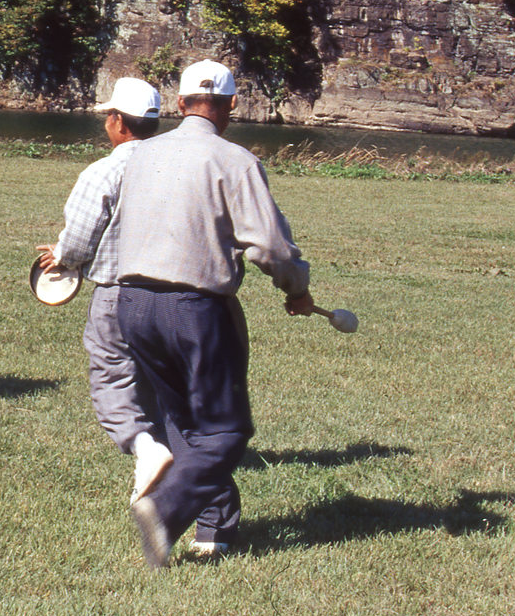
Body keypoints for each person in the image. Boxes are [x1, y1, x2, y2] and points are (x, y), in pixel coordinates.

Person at [113, 59, 315, 567]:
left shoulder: (137, 155)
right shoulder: (235, 160)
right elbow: (270, 247)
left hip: (132, 304)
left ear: (179, 104)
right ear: (230, 106)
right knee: (226, 432)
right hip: (195, 308)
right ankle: (163, 510)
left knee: (184, 420)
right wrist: (296, 289)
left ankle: (214, 528)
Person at [35, 76, 175, 503]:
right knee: (163, 378)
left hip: (118, 291)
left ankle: (143, 447)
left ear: (117, 122)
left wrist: (63, 256)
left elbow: (80, 234)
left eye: (108, 117)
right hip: (174, 295)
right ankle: (173, 450)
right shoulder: (176, 162)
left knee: (112, 373)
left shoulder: (105, 170)